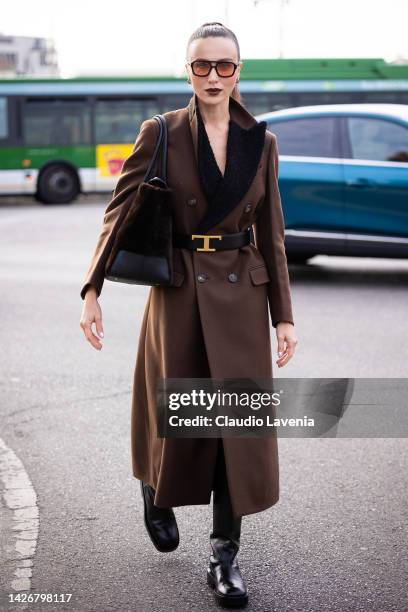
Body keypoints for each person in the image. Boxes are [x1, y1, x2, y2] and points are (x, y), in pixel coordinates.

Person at [80, 21, 298, 608]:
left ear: (238, 72)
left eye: (224, 66)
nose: (212, 76)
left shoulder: (263, 141)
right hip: (178, 290)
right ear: (187, 70)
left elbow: (272, 234)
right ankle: (155, 490)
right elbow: (119, 212)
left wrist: (284, 315)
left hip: (242, 294)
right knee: (174, 412)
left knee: (237, 429)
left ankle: (224, 557)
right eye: (201, 65)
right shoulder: (164, 133)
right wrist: (92, 288)